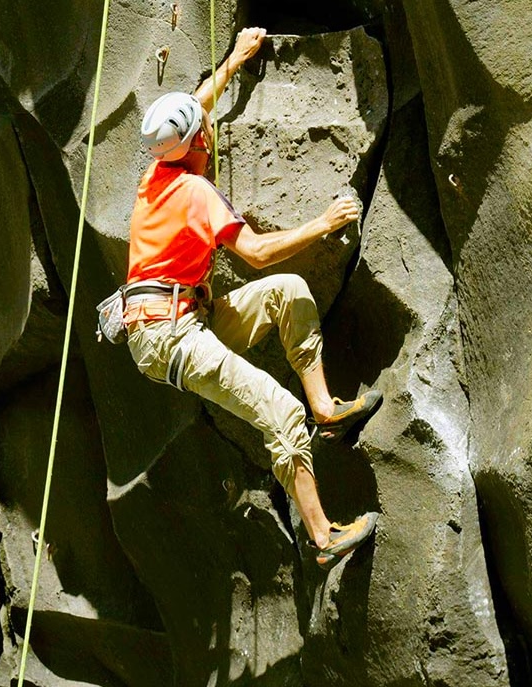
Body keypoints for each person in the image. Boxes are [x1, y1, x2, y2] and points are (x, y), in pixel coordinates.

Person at [124, 27, 381, 566]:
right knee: (278, 412)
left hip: (181, 318)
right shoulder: (194, 191)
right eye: (205, 132)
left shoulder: (157, 170)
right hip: (171, 333)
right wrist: (323, 223)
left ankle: (326, 408)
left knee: (290, 293)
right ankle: (323, 538)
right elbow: (257, 253)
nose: (210, 130)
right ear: (198, 143)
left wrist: (237, 58)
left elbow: (197, 101)